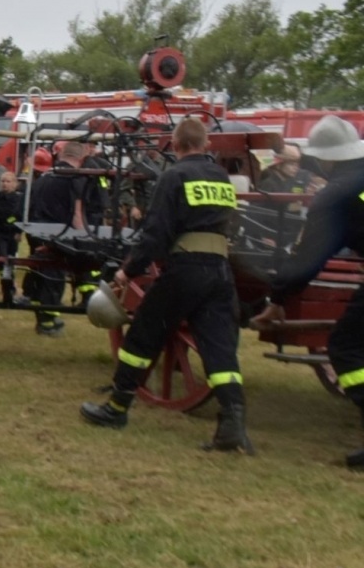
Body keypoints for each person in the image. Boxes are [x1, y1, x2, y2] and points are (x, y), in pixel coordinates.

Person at [80, 118, 252, 452]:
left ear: (175, 146)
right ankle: (233, 424)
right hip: (220, 272)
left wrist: (128, 272)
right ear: (206, 145)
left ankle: (116, 409)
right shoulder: (221, 178)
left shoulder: (173, 176)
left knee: (142, 335)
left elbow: (156, 234)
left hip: (185, 269)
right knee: (220, 349)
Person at [251, 116, 364, 468]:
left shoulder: (336, 195)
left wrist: (278, 300)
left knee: (346, 347)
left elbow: (307, 261)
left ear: (326, 159)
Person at [24, 141, 105, 336]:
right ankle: (51, 322)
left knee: (43, 276)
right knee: (77, 267)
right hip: (62, 238)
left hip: (38, 234)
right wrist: (87, 239)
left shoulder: (43, 177)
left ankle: (43, 319)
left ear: (60, 156)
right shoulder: (75, 178)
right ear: (81, 159)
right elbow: (77, 216)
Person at [0, 169, 23, 306]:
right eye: (3, 181)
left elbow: (18, 215)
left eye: (8, 181)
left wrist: (17, 229)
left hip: (12, 234)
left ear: (14, 184)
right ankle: (7, 289)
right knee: (3, 261)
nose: (5, 184)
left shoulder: (18, 199)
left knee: (11, 260)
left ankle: (11, 287)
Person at [257, 144, 323, 195]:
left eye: (297, 164)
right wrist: (288, 207)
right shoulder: (269, 184)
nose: (296, 168)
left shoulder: (288, 182)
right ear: (278, 165)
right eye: (291, 164)